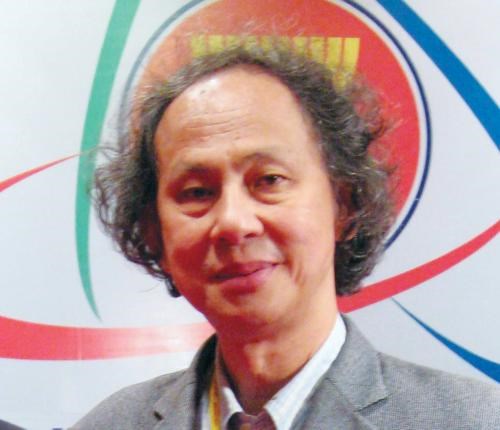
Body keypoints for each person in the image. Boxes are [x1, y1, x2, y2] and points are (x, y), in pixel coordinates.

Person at [73, 45, 500, 429]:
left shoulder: (474, 419)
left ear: (344, 205)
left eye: (269, 180)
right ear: (154, 234)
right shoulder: (109, 424)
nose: (234, 222)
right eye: (197, 192)